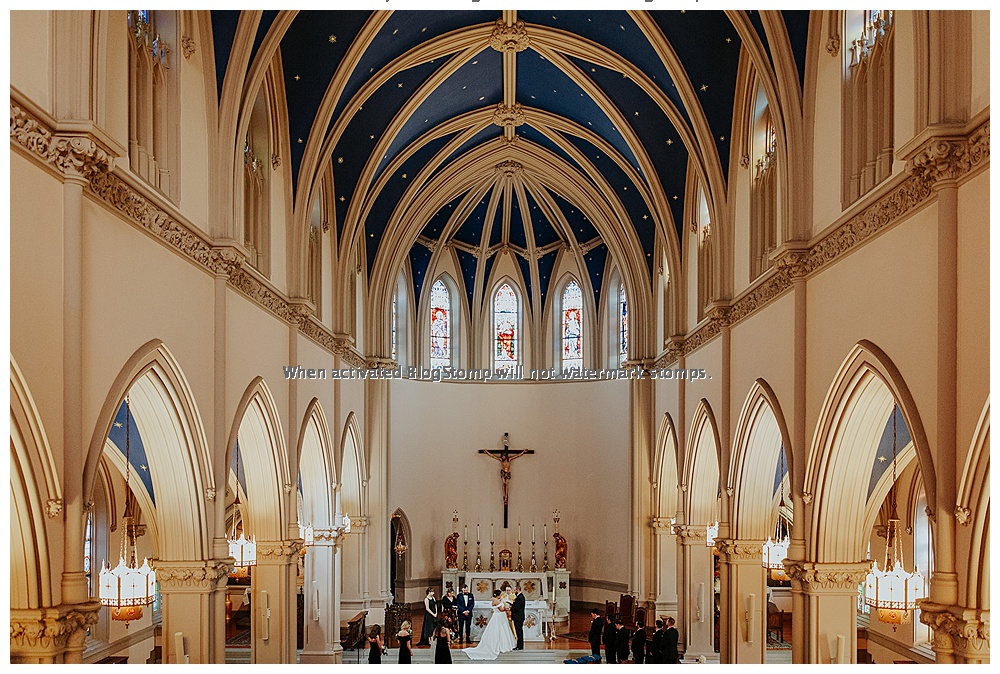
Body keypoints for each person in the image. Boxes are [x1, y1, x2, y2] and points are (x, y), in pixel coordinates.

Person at [463, 590, 516, 660]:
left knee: (500, 631)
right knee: (499, 631)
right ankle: (501, 645)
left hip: (498, 617)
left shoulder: (495, 599)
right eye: (500, 594)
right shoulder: (496, 601)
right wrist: (508, 608)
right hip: (498, 617)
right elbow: (501, 609)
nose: (501, 596)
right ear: (498, 595)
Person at [510, 584, 526, 650]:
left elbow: (516, 608)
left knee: (519, 632)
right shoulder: (520, 597)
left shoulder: (520, 597)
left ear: (517, 590)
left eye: (515, 590)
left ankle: (520, 646)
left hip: (518, 617)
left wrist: (511, 607)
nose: (514, 591)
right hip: (518, 617)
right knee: (518, 631)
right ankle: (519, 645)